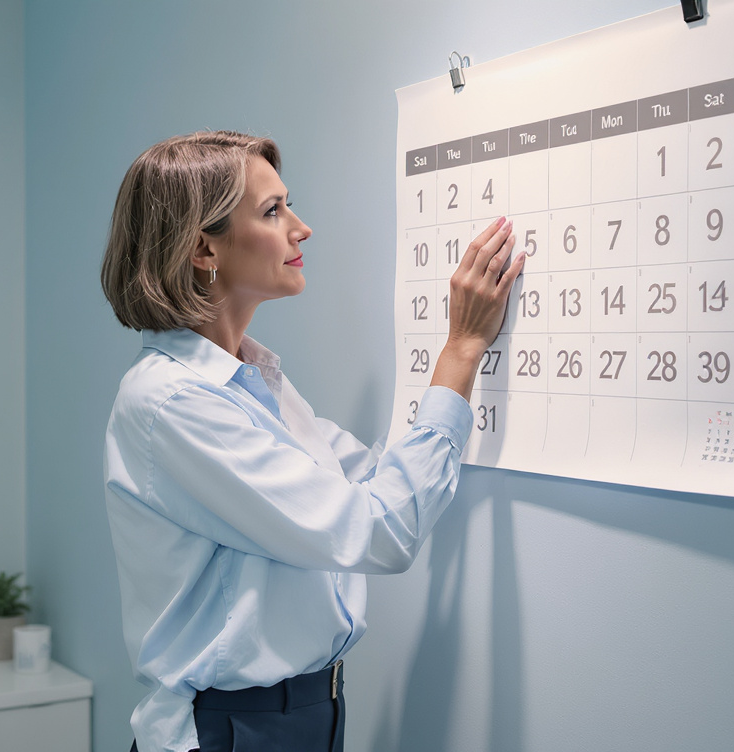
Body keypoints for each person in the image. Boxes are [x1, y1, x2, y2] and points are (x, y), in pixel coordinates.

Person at [100, 131, 523, 752]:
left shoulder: (255, 380)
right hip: (229, 732)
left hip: (309, 718)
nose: (302, 228)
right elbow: (381, 529)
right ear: (201, 248)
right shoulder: (172, 403)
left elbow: (375, 475)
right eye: (272, 211)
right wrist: (461, 350)